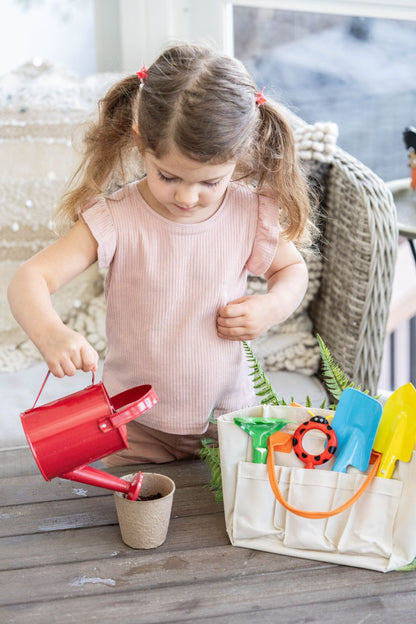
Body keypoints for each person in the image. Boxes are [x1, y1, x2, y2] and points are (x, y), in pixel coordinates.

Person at [8, 43, 315, 465]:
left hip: (228, 420)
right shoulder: (117, 218)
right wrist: (52, 334)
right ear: (140, 143)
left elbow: (292, 269)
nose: (188, 197)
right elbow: (31, 279)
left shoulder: (249, 212)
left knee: (226, 526)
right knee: (132, 525)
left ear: (239, 158)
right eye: (168, 176)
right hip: (136, 427)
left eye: (211, 182)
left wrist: (273, 306)